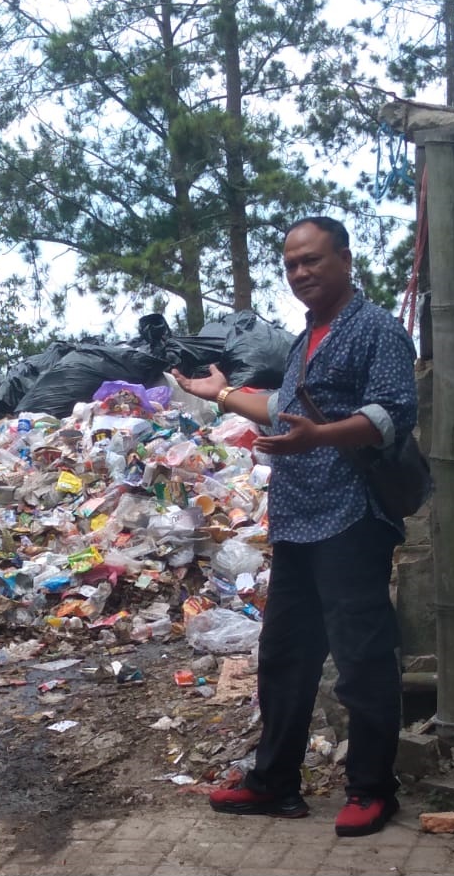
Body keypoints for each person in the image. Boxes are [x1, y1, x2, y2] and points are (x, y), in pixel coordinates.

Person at [172, 216, 418, 837]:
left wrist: (323, 436)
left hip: (353, 516)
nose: (300, 273)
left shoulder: (377, 330)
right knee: (285, 656)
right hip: (299, 517)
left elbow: (394, 412)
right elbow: (283, 409)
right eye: (290, 264)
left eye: (312, 260)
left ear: (344, 259)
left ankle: (372, 789)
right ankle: (275, 783)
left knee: (362, 659)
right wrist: (222, 394)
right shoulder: (307, 337)